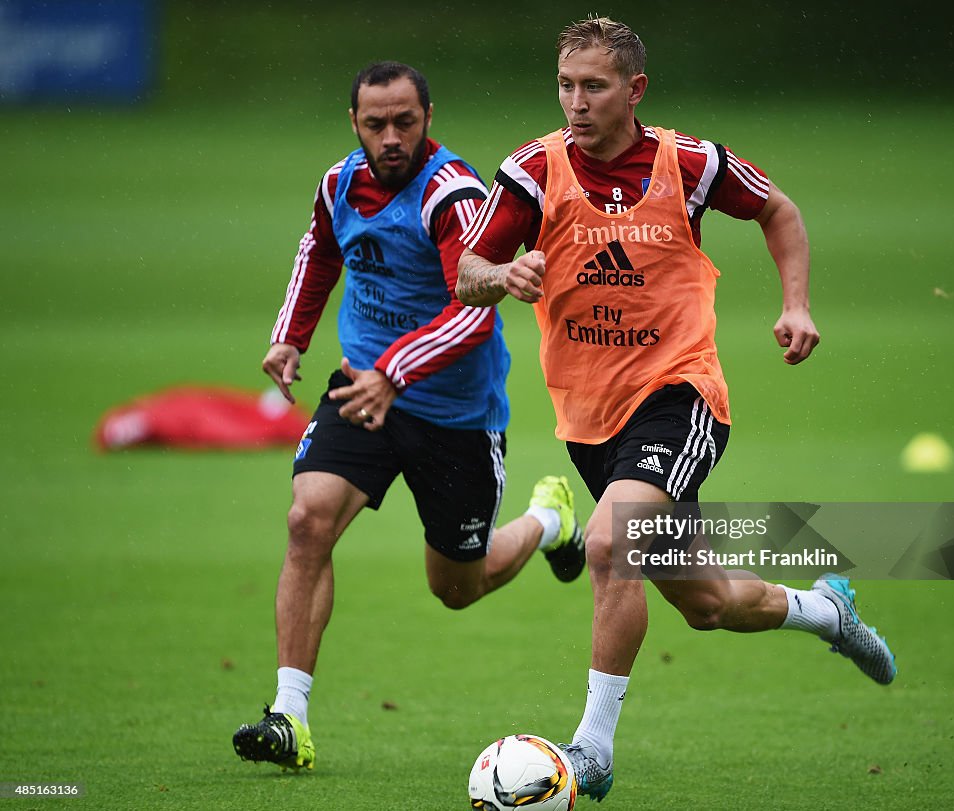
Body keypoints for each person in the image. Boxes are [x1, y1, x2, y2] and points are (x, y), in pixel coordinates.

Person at [456, 17, 896, 802]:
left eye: (594, 86)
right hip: (589, 419)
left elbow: (779, 211)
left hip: (680, 396)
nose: (576, 102)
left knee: (609, 541)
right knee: (710, 602)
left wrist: (797, 304)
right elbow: (468, 269)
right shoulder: (530, 171)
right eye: (565, 84)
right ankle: (827, 611)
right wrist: (504, 277)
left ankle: (591, 749)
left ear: (635, 89)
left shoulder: (690, 163)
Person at [231, 61, 586, 771]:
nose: (390, 137)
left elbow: (473, 308)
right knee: (308, 520)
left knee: (458, 586)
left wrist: (398, 371)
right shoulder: (338, 183)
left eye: (404, 122)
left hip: (455, 413)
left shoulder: (454, 196)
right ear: (354, 124)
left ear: (428, 118)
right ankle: (289, 718)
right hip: (363, 388)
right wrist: (289, 335)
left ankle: (550, 521)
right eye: (374, 124)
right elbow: (319, 252)